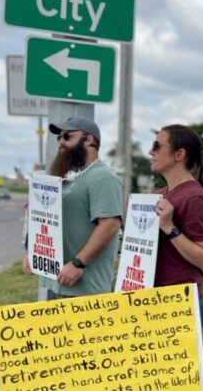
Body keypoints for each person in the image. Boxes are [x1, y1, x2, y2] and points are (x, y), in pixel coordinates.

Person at [22, 116, 123, 300]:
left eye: (67, 136)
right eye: (58, 137)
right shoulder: (68, 177)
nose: (61, 142)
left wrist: (78, 264)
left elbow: (110, 225)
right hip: (58, 282)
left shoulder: (103, 177)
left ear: (89, 139)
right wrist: (36, 254)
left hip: (84, 290)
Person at [149, 124, 203, 327]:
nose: (151, 151)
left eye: (157, 146)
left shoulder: (195, 198)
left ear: (179, 154)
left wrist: (170, 227)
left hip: (179, 306)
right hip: (155, 300)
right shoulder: (162, 193)